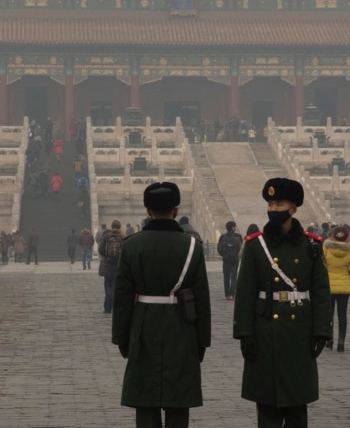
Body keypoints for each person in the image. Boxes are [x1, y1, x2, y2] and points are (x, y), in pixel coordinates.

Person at [233, 178, 332, 428]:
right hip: (265, 330)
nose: (274, 209)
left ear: (293, 208)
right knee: (267, 405)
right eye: (271, 204)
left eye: (280, 204)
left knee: (298, 405)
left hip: (300, 331)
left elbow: (320, 291)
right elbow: (245, 293)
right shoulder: (257, 245)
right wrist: (245, 333)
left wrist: (322, 330)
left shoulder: (311, 245)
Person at [112, 182, 211, 428]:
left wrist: (122, 339)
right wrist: (202, 341)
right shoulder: (192, 247)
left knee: (145, 402)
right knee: (179, 403)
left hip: (143, 324)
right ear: (175, 211)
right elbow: (201, 299)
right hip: (181, 326)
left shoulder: (132, 245)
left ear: (148, 211)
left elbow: (123, 298)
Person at [323, 225, 350, 352]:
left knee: (329, 314)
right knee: (342, 315)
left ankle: (329, 339)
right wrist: (345, 272)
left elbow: (320, 265)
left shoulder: (326, 249)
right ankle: (341, 341)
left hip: (329, 286)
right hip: (344, 287)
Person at [99, 220, 127, 314]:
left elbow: (101, 250)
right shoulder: (123, 237)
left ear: (111, 226)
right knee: (118, 287)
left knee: (108, 285)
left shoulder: (107, 236)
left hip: (108, 264)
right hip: (120, 265)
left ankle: (107, 308)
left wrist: (107, 256)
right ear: (120, 226)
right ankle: (117, 307)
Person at [217, 221, 244, 301]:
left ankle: (227, 294)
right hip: (235, 259)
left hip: (226, 260)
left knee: (226, 277)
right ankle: (232, 294)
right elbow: (241, 248)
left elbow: (219, 248)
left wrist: (224, 255)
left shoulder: (222, 237)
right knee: (233, 277)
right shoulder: (238, 236)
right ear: (232, 227)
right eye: (235, 226)